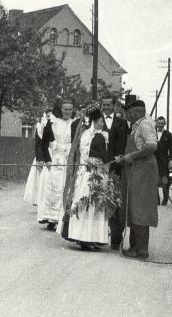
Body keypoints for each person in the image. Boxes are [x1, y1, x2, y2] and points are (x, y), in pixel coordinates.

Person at [58, 104, 115, 251]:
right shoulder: (99, 137)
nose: (103, 124)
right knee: (92, 204)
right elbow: (103, 156)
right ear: (95, 122)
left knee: (86, 203)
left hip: (84, 173)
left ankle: (86, 237)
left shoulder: (84, 135)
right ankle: (89, 238)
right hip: (94, 173)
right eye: (101, 121)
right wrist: (115, 159)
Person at [117, 98, 159, 260]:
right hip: (136, 169)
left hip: (144, 170)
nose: (127, 115)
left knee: (140, 208)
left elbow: (152, 146)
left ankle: (142, 250)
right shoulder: (137, 125)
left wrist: (132, 156)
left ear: (138, 112)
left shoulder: (145, 124)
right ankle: (134, 247)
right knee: (134, 207)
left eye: (130, 112)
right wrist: (124, 157)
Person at [37, 100, 75, 230]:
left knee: (67, 187)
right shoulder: (53, 122)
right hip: (55, 159)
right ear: (61, 109)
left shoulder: (75, 124)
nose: (68, 112)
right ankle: (51, 218)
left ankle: (64, 218)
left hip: (68, 159)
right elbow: (43, 143)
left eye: (70, 109)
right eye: (66, 109)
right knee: (53, 187)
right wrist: (47, 159)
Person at [101, 95, 128, 249]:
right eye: (103, 105)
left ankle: (116, 236)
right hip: (100, 167)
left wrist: (120, 157)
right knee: (101, 200)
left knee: (116, 201)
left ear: (114, 106)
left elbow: (125, 144)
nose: (106, 108)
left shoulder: (122, 123)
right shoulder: (96, 122)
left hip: (117, 168)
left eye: (108, 105)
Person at [23, 113, 50, 206]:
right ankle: (38, 201)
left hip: (51, 156)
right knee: (39, 180)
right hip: (41, 157)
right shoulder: (40, 128)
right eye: (48, 116)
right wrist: (39, 159)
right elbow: (38, 145)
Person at [154, 116, 172, 206]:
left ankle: (165, 199)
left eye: (162, 123)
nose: (160, 125)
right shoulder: (152, 133)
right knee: (154, 181)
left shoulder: (168, 134)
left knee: (165, 181)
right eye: (158, 123)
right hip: (153, 161)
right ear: (156, 123)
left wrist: (171, 160)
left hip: (164, 162)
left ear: (164, 124)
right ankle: (156, 199)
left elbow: (171, 149)